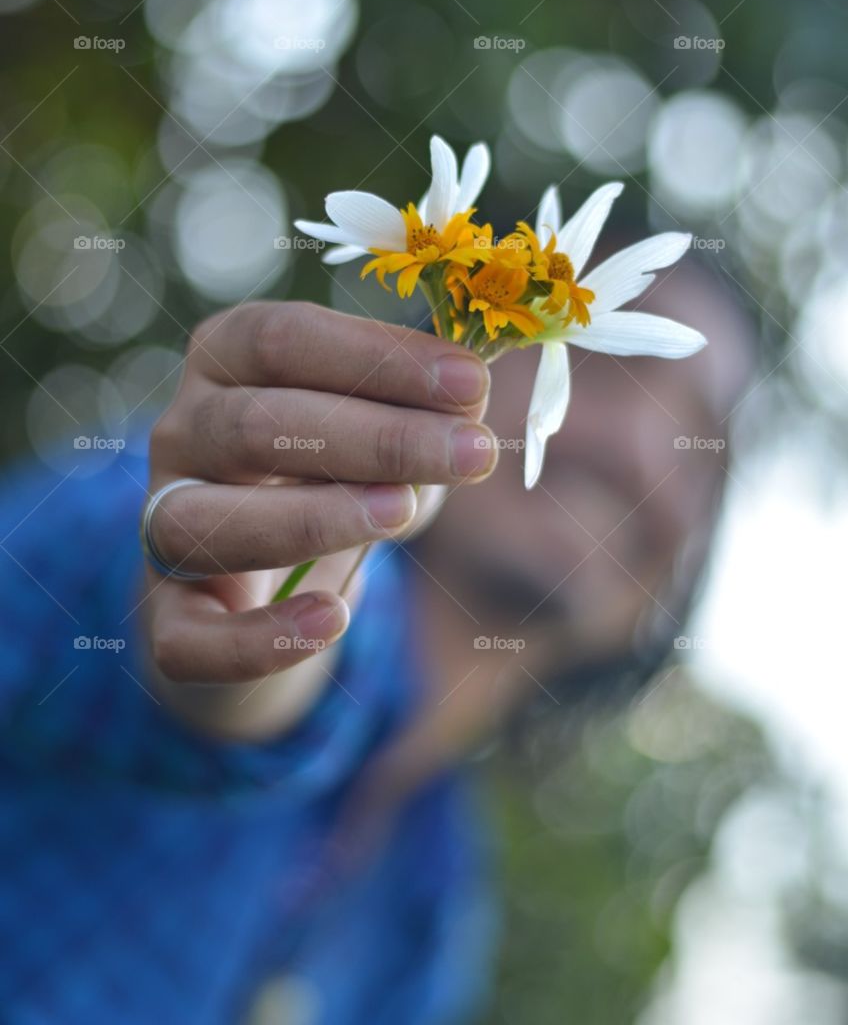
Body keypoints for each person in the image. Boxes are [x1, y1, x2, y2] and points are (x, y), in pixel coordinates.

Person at [0, 241, 752, 1025]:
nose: (636, 450)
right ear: (450, 359)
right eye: (601, 364)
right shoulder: (154, 499)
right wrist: (241, 602)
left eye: (698, 443)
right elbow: (181, 620)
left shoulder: (435, 910)